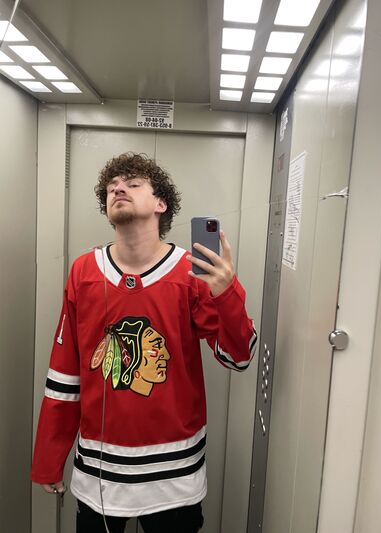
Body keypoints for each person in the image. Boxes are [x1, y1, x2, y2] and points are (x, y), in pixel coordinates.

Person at [31, 152, 257, 533]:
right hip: (100, 474)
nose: (118, 188)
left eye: (133, 184)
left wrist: (226, 292)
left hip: (174, 475)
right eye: (112, 187)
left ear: (160, 204)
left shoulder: (191, 275)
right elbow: (65, 374)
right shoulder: (85, 272)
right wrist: (49, 459)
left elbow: (239, 357)